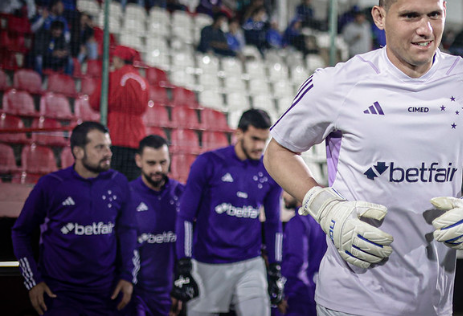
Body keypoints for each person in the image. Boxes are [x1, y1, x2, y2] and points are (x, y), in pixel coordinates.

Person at [263, 0, 463, 316]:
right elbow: (277, 151)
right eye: (410, 16)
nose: (426, 29)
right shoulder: (339, 83)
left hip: (434, 303)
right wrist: (325, 207)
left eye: (435, 15)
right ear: (379, 17)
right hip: (350, 301)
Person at [11, 121, 138, 316]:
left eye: (108, 146)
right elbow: (20, 232)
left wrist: (128, 277)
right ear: (78, 152)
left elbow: (128, 231)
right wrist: (33, 282)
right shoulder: (52, 185)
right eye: (99, 147)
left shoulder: (119, 182)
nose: (108, 153)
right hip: (59, 296)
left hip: (105, 296)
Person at [171, 109, 284, 316]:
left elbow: (273, 223)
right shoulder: (208, 163)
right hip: (207, 264)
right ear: (238, 133)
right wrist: (184, 264)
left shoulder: (269, 171)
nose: (259, 146)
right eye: (254, 138)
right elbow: (185, 216)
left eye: (264, 140)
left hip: (250, 263)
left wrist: (275, 268)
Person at [129, 134, 185, 316]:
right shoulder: (127, 195)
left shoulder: (181, 193)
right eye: (151, 163)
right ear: (139, 160)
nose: (158, 169)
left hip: (173, 293)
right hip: (137, 294)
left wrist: (180, 286)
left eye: (163, 162)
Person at [90, 45, 150, 181]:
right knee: (131, 183)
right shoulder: (142, 80)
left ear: (118, 59)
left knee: (110, 180)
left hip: (114, 134)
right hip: (137, 137)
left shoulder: (111, 76)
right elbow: (144, 108)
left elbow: (95, 102)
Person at [277, 191, 327, 316]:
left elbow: (297, 260)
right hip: (322, 292)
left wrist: (282, 291)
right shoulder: (324, 222)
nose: (283, 195)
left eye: (287, 190)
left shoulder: (298, 222)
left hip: (298, 294)